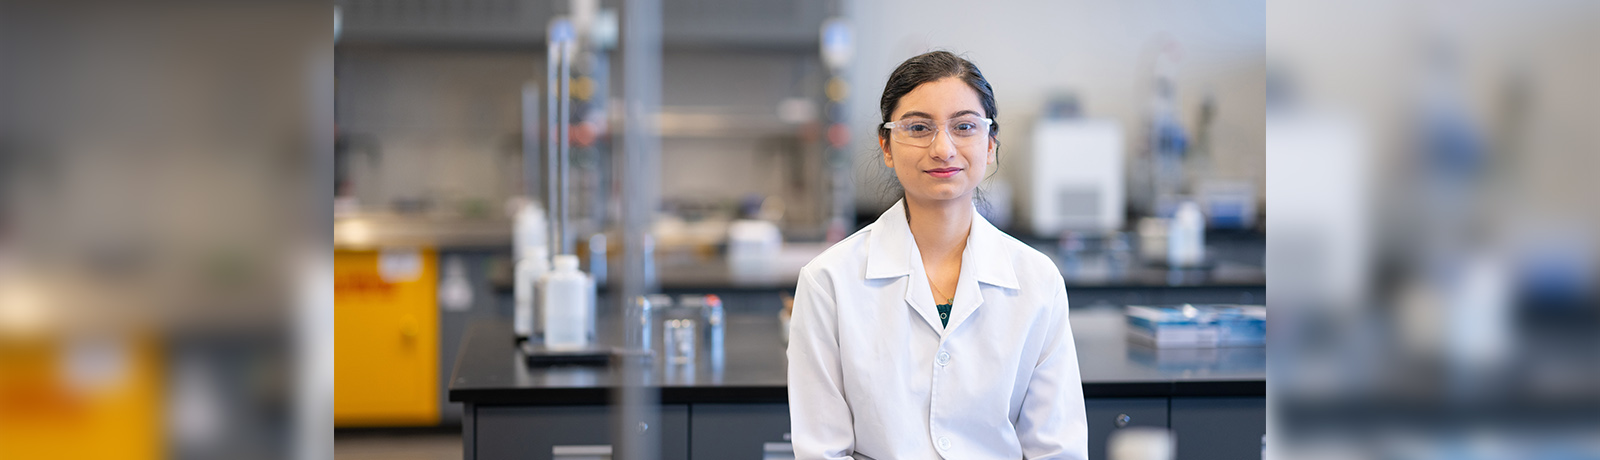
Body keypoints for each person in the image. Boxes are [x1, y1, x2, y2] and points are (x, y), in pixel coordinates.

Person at [786, 51, 1088, 459]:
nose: (943, 148)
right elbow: (821, 451)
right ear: (887, 146)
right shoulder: (829, 281)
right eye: (918, 127)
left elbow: (1056, 449)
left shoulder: (1038, 280)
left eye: (964, 126)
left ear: (991, 144)